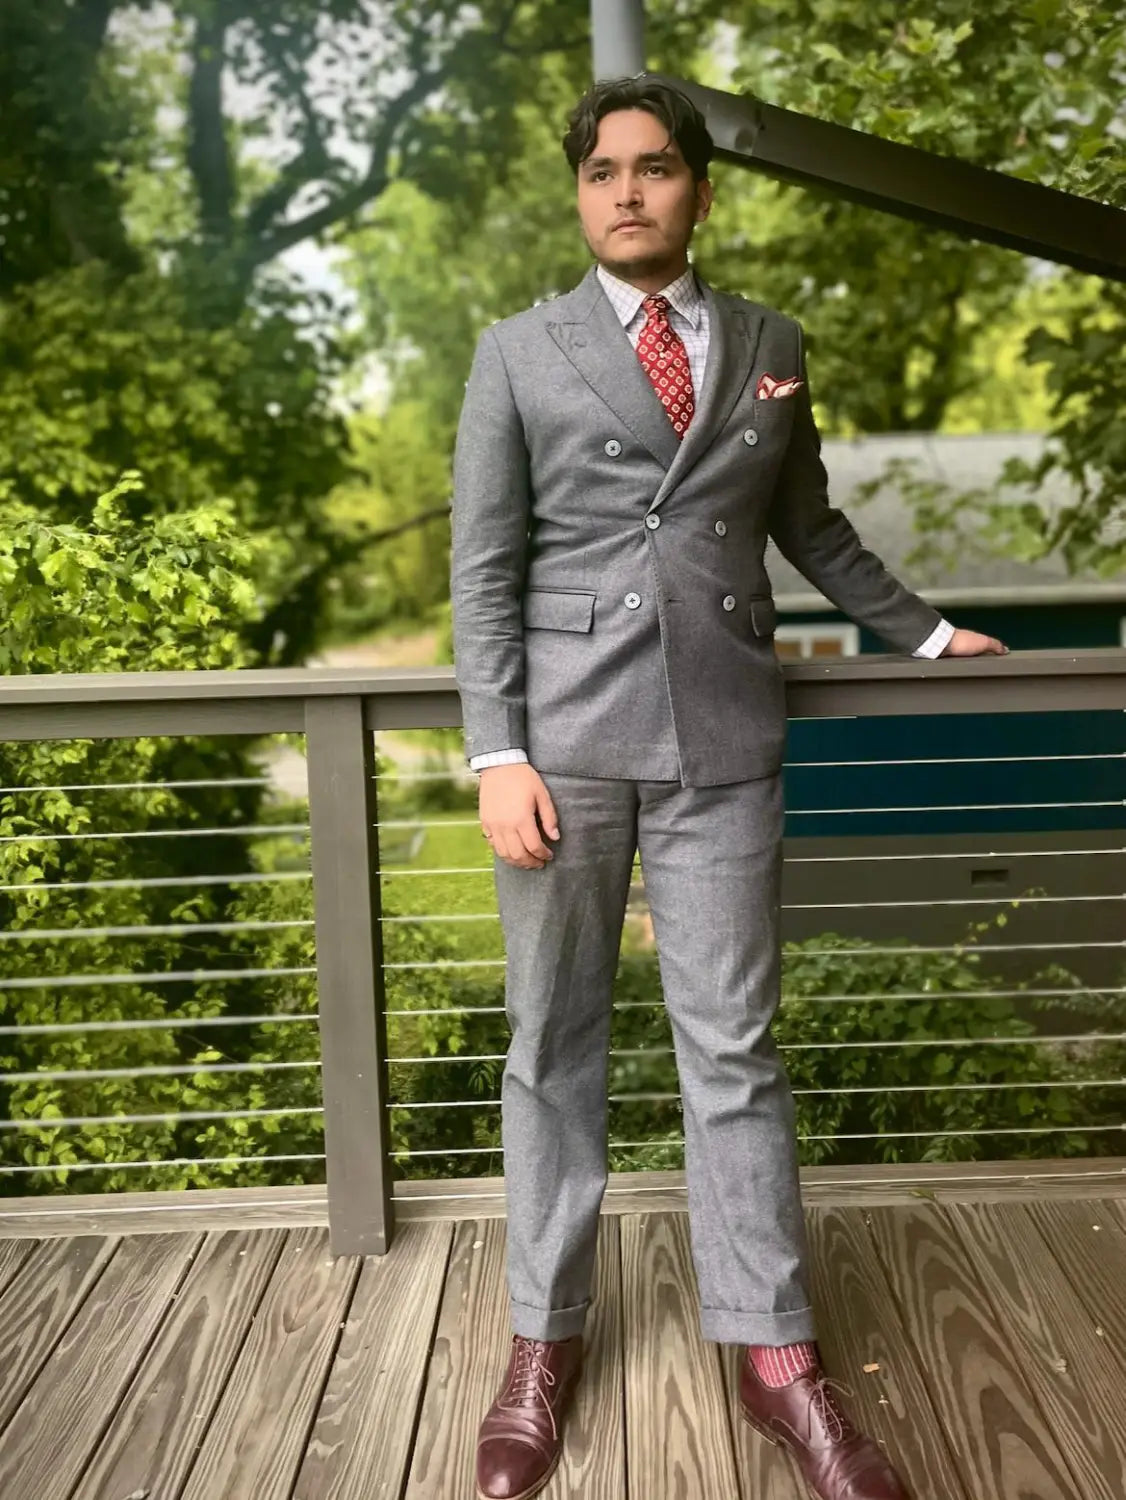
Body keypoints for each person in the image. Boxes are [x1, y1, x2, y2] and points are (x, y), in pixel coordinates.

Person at [449, 75, 1006, 1500]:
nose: (626, 191)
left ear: (698, 189)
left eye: (652, 168)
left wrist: (925, 634)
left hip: (722, 741)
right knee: (550, 1047)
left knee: (735, 1052)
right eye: (601, 173)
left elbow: (808, 522)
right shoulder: (515, 352)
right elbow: (484, 571)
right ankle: (542, 1340)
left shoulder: (769, 344)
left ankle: (775, 1356)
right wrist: (496, 751)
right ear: (580, 195)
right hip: (562, 750)